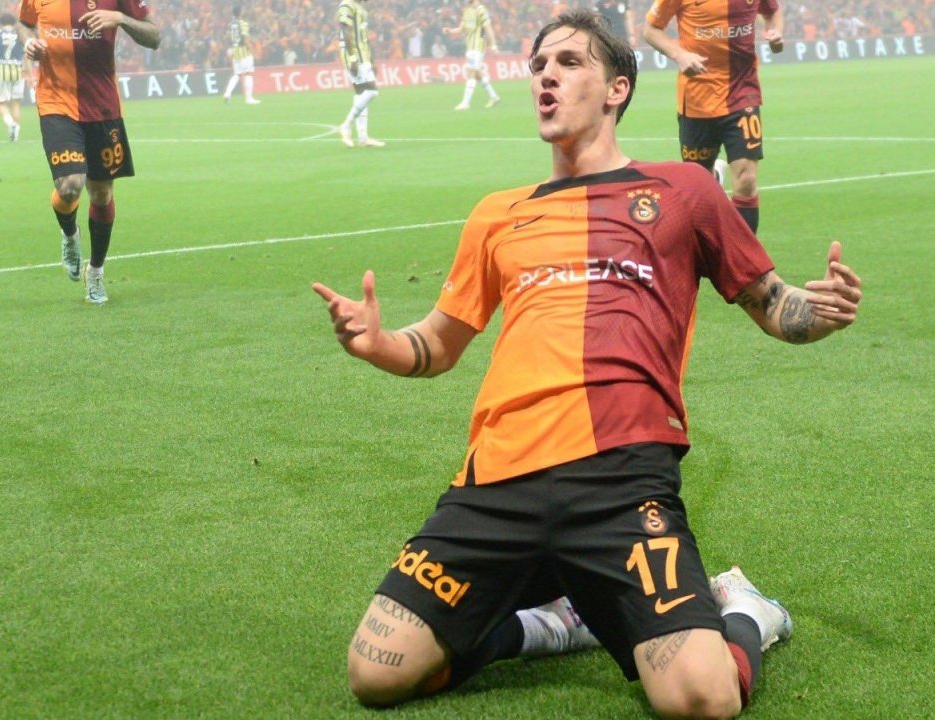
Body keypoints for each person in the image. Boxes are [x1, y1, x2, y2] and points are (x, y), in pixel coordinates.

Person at [312, 9, 862, 717]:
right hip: (496, 484)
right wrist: (375, 342)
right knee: (377, 672)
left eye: (570, 63)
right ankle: (552, 624)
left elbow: (775, 305)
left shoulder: (683, 191)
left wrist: (823, 311)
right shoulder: (498, 214)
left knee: (702, 700)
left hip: (621, 481)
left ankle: (747, 612)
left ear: (616, 89)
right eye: (539, 66)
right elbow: (437, 346)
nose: (547, 77)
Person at [19, 0, 160, 305]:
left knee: (101, 194)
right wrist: (29, 43)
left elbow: (154, 37)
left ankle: (95, 271)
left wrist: (120, 18)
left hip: (102, 106)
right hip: (55, 102)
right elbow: (25, 24)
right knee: (70, 185)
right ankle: (70, 234)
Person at [643, 0, 783, 234]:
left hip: (742, 93)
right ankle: (713, 178)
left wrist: (775, 33)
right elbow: (650, 30)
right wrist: (680, 55)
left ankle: (742, 256)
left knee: (746, 179)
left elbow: (772, 12)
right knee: (699, 183)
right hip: (697, 99)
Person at [336, 0, 384, 147]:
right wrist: (352, 57)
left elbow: (364, 38)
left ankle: (363, 138)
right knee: (371, 91)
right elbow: (345, 30)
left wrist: (372, 60)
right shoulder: (347, 5)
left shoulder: (361, 9)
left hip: (364, 55)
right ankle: (345, 126)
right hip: (355, 55)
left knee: (361, 94)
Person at [443, 0, 501, 110]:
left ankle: (465, 103)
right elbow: (461, 29)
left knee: (471, 73)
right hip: (470, 47)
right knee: (478, 74)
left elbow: (488, 28)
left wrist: (494, 45)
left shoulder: (481, 10)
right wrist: (450, 31)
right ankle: (494, 97)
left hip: (478, 46)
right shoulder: (467, 11)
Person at [0, 12, 29, 142]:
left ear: (1, 23)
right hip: (18, 71)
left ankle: (11, 124)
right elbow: (26, 55)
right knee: (15, 103)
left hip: (1, 71)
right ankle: (16, 134)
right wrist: (29, 73)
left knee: (1, 103)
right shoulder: (20, 35)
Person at [222, 6, 261, 105]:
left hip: (235, 51)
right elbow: (245, 39)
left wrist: (231, 48)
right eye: (243, 10)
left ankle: (227, 93)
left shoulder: (231, 24)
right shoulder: (243, 23)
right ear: (240, 13)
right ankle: (249, 99)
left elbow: (226, 37)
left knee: (237, 74)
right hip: (244, 51)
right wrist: (253, 52)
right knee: (248, 73)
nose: (244, 11)